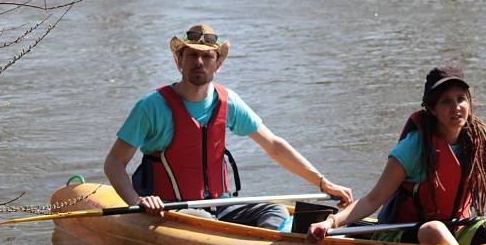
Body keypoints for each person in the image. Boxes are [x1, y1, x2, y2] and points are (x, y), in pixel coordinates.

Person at [104, 23, 352, 228]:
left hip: (220, 207)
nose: (199, 62)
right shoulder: (152, 107)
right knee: (202, 220)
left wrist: (323, 183)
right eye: (191, 54)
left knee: (275, 212)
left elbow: (274, 146)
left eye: (207, 56)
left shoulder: (228, 101)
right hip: (171, 209)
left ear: (217, 64)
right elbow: (114, 163)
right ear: (179, 61)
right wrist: (138, 201)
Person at [307, 66, 486, 245]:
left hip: (454, 227)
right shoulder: (413, 148)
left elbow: (475, 179)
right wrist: (331, 222)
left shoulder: (471, 139)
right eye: (446, 101)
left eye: (461, 99)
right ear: (432, 109)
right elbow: (372, 200)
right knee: (435, 229)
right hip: (403, 232)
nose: (456, 107)